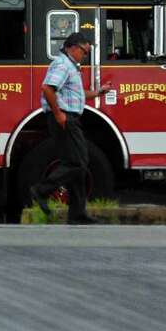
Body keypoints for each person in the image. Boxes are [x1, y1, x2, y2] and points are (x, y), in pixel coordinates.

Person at [29, 31, 110, 225]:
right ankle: (41, 190)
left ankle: (77, 214)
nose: (85, 55)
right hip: (65, 119)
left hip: (69, 117)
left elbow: (77, 94)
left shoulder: (71, 66)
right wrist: (59, 114)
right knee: (78, 163)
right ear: (73, 47)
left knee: (78, 165)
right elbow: (48, 88)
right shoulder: (62, 64)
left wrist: (98, 92)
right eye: (84, 51)